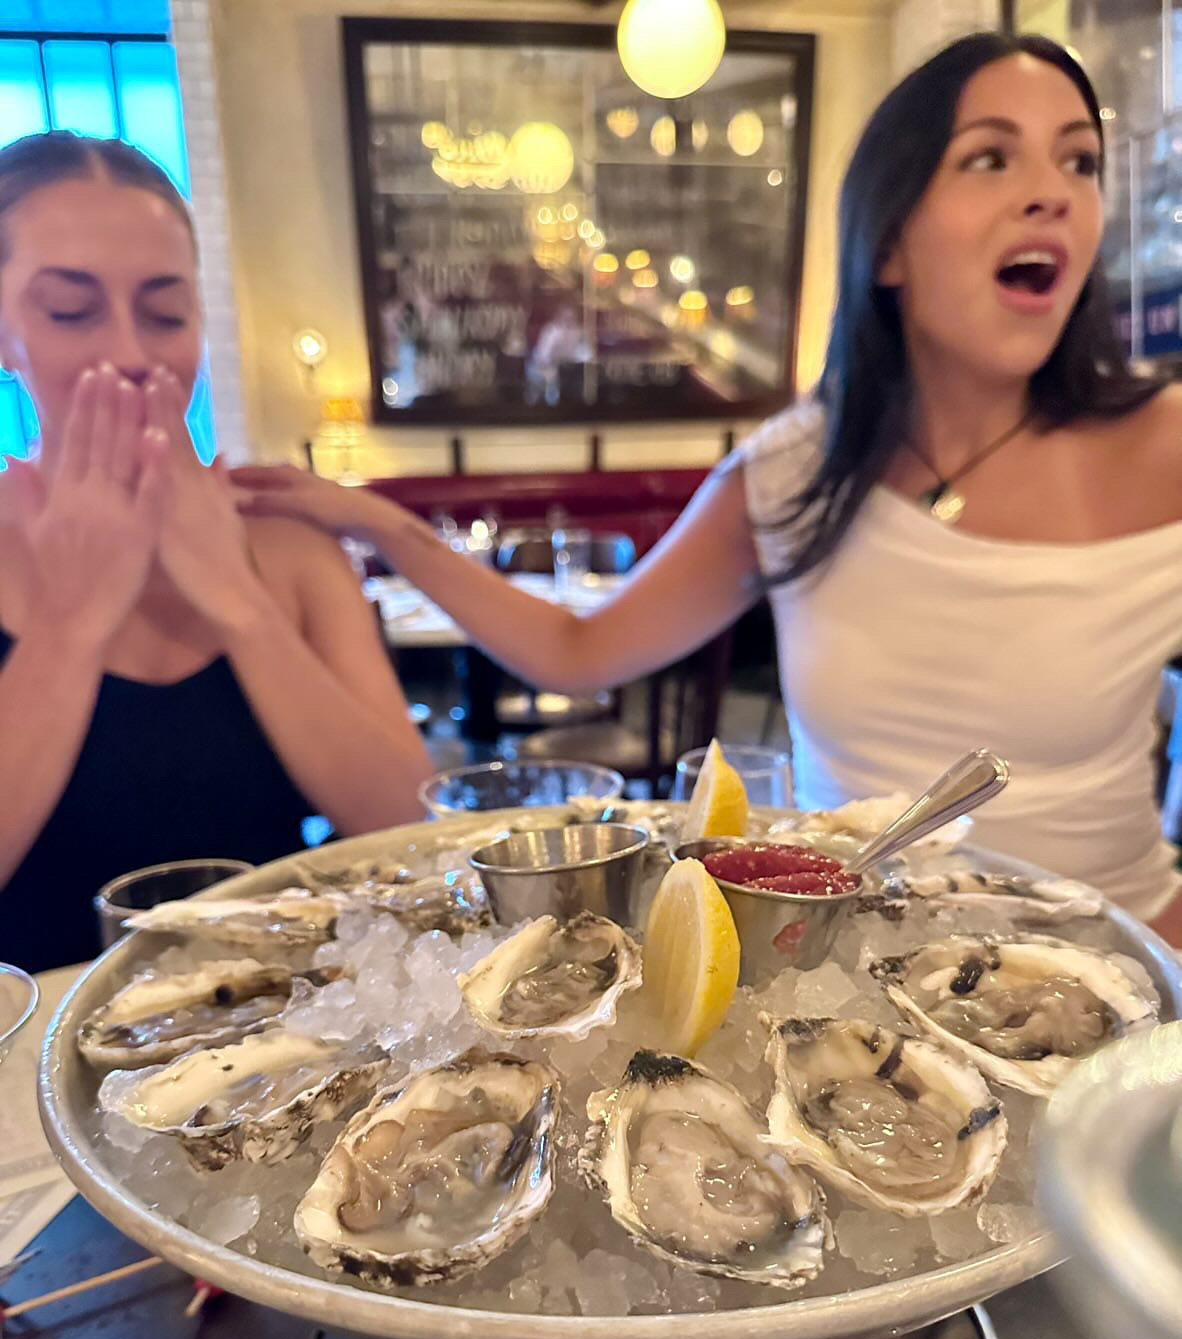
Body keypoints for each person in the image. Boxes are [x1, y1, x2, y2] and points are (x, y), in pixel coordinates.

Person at [232, 33, 1182, 945]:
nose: (1052, 195)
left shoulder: (1167, 444)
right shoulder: (796, 469)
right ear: (889, 240)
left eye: (1081, 162)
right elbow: (576, 650)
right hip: (862, 989)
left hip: (1130, 984)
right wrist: (381, 526)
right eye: (990, 158)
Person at [0, 132, 432, 971]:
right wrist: (69, 626)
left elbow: (406, 828)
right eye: (70, 311)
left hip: (280, 1025)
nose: (130, 355)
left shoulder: (287, 546)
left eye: (166, 315)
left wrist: (239, 600)